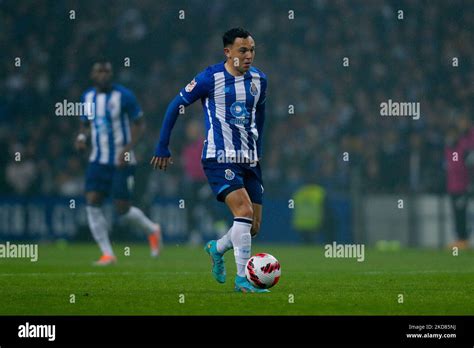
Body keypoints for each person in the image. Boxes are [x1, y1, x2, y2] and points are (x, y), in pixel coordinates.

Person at [151, 28, 268, 293]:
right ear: (227, 52)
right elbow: (175, 105)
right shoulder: (210, 78)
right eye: (242, 50)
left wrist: (258, 148)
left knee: (253, 227)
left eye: (252, 50)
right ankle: (242, 280)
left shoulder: (260, 80)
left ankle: (216, 249)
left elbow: (260, 115)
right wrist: (162, 145)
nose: (249, 55)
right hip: (219, 156)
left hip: (249, 159)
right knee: (244, 212)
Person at [76, 60, 162, 265]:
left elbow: (139, 124)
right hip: (98, 159)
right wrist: (81, 138)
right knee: (92, 201)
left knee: (121, 208)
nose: (104, 75)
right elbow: (85, 124)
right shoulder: (87, 97)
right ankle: (108, 253)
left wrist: (127, 149)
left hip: (122, 160)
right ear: (93, 74)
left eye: (107, 71)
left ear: (111, 74)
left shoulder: (124, 96)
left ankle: (152, 229)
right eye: (100, 71)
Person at [445, 115, 474, 250]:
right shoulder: (450, 148)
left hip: (463, 186)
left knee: (463, 213)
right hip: (453, 187)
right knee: (457, 214)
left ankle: (464, 240)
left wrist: (469, 185)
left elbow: (466, 166)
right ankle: (461, 241)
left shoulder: (464, 147)